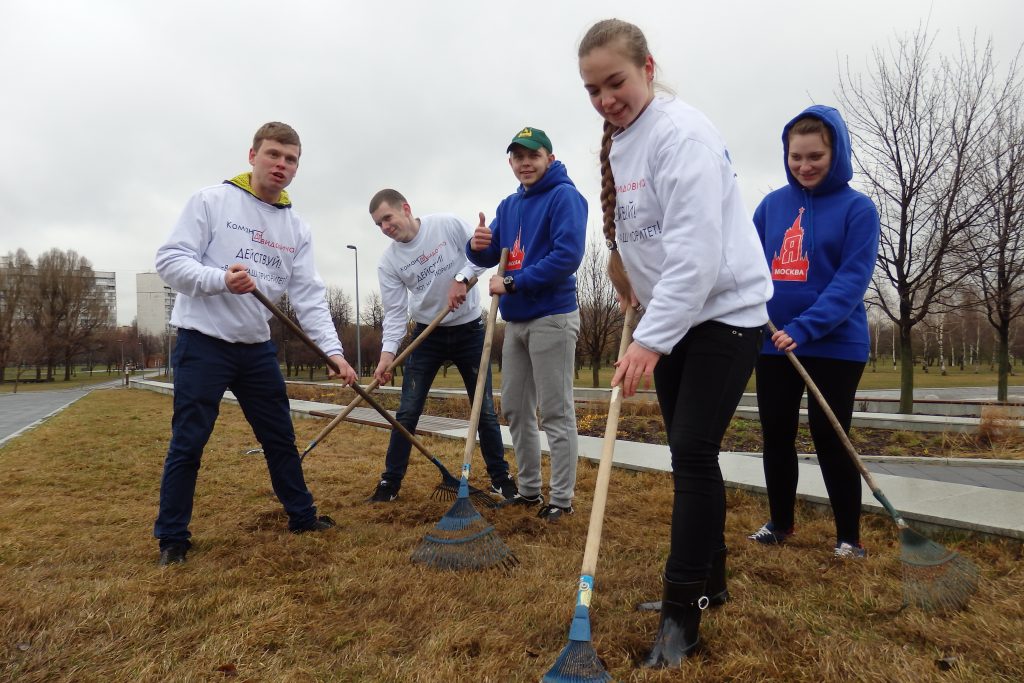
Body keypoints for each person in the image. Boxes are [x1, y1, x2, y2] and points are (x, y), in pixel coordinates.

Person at [578, 19, 773, 667]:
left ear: (648, 68)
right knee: (691, 454)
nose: (606, 98)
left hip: (726, 311)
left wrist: (649, 341)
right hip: (671, 313)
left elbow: (696, 251)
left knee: (691, 451)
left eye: (616, 82)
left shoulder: (681, 134)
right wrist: (627, 281)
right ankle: (711, 582)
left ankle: (680, 611)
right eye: (593, 89)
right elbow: (641, 235)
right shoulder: (619, 141)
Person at [153, 122, 356, 567]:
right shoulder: (211, 201)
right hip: (202, 343)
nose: (281, 165)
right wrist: (220, 279)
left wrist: (334, 353)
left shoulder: (296, 228)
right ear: (252, 155)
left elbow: (309, 297)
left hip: (255, 347)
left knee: (280, 437)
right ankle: (172, 538)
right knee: (189, 441)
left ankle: (302, 516)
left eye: (291, 159)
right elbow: (169, 262)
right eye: (273, 155)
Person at [747, 106, 880, 559]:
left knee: (830, 435)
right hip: (773, 343)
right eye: (795, 156)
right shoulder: (771, 207)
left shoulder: (858, 209)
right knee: (776, 434)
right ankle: (780, 523)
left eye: (815, 156)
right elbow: (748, 267)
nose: (804, 166)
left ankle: (848, 538)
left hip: (835, 345)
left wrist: (804, 328)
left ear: (836, 153)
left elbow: (851, 281)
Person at [466, 126, 587, 522]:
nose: (525, 163)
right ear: (511, 162)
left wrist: (514, 282)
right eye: (518, 157)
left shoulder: (565, 197)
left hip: (552, 316)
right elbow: (490, 257)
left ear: (549, 159)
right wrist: (477, 245)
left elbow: (567, 257)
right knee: (516, 408)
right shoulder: (509, 204)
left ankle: (562, 499)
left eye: (533, 156)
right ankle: (530, 491)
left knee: (555, 411)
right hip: (516, 321)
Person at [366, 189, 517, 503]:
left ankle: (500, 479)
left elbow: (482, 256)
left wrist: (461, 278)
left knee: (485, 411)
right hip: (426, 337)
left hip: (470, 333)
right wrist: (386, 355)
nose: (385, 228)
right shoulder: (389, 262)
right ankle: (390, 483)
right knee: (406, 411)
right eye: (379, 224)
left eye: (387, 218)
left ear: (405, 208)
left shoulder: (446, 225)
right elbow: (395, 313)